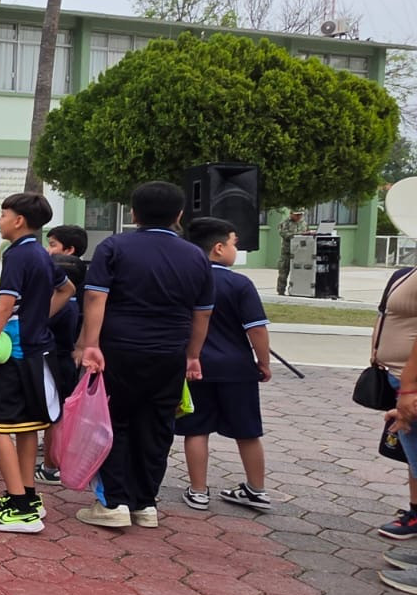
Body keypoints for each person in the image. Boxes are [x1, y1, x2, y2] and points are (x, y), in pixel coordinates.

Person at [75, 181, 214, 530]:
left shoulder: (114, 247)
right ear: (179, 216)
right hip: (170, 353)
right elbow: (203, 312)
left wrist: (90, 344)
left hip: (118, 351)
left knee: (114, 424)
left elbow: (95, 298)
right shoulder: (196, 255)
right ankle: (145, 504)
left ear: (133, 213)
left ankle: (113, 502)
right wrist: (193, 355)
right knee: (157, 427)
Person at [0, 193, 74, 534]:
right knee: (28, 425)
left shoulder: (17, 254)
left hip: (14, 356)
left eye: (3, 214)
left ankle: (20, 507)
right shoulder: (42, 254)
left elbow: (4, 307)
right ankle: (28, 495)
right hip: (37, 350)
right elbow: (67, 289)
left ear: (18, 220)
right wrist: (38, 320)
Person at [176, 217, 272, 512]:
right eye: (234, 243)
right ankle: (256, 489)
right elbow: (256, 328)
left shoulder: (185, 278)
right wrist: (263, 362)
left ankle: (198, 491)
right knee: (247, 430)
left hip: (194, 368)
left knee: (196, 429)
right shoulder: (239, 283)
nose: (235, 248)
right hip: (236, 368)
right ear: (218, 248)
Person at [36, 226, 88, 485]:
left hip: (55, 359)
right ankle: (58, 456)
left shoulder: (60, 306)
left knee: (53, 414)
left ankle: (51, 466)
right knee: (59, 412)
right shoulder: (77, 304)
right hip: (66, 360)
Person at [372, 265, 417, 542]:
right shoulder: (406, 274)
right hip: (399, 379)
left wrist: (410, 390)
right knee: (413, 457)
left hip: (409, 384)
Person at [277, 208, 306, 296]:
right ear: (291, 214)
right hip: (287, 252)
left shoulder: (303, 223)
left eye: (300, 214)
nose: (299, 216)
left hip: (300, 252)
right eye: (297, 215)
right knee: (283, 272)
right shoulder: (285, 223)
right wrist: (298, 235)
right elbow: (284, 234)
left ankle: (296, 291)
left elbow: (305, 232)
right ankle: (281, 291)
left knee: (298, 273)